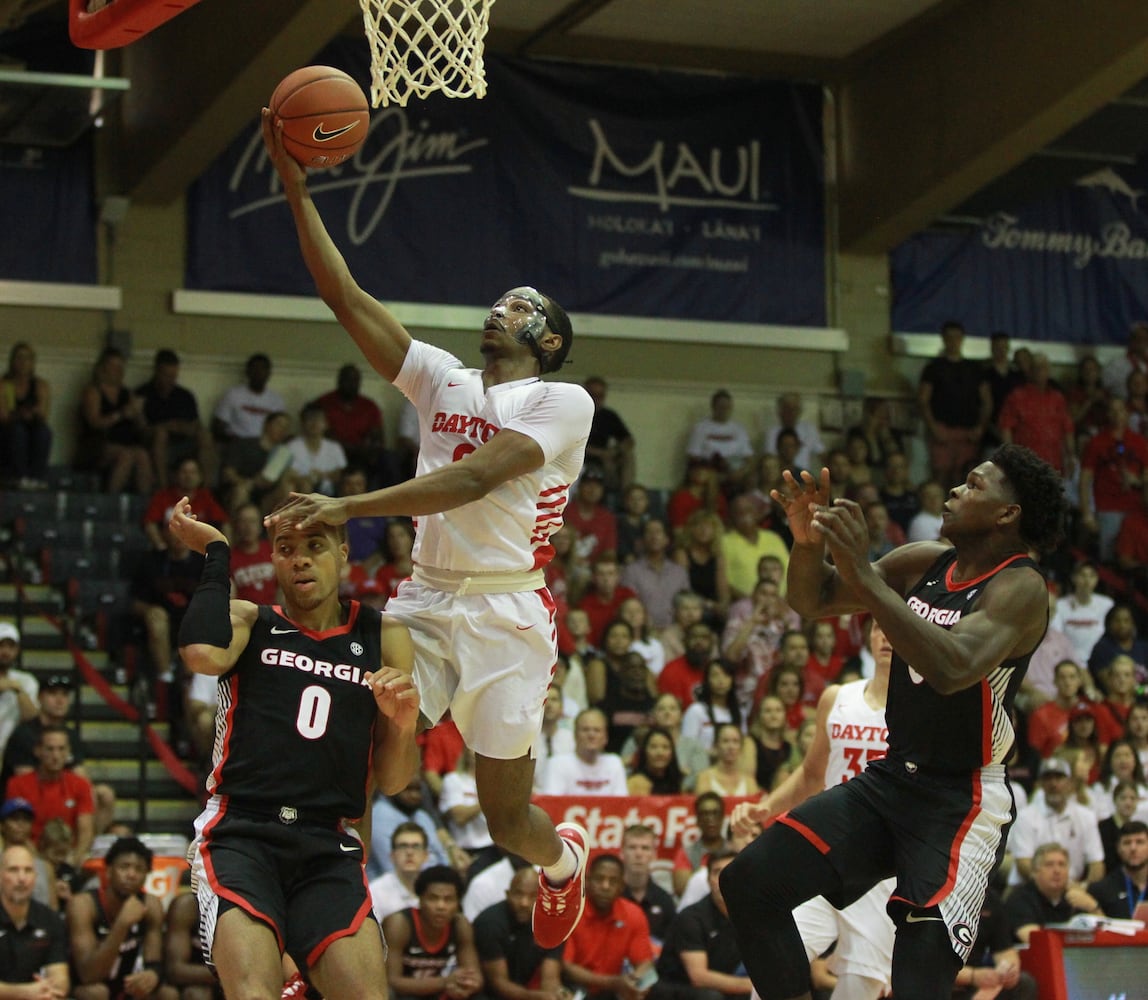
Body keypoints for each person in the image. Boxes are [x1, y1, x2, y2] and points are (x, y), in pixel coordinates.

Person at [262, 111, 596, 950]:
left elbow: (473, 479)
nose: (498, 312)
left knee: (508, 820)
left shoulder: (564, 402)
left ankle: (563, 864)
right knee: (370, 756)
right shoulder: (441, 378)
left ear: (548, 339)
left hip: (510, 616)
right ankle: (328, 905)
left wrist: (345, 507)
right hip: (422, 603)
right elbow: (344, 294)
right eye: (495, 303)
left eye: (518, 310)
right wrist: (297, 186)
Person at [720, 444, 1067, 1000]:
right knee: (749, 883)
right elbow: (813, 599)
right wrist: (807, 545)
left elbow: (953, 667)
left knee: (916, 982)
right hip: (892, 781)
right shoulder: (924, 561)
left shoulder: (1020, 588)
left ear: (1008, 514)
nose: (955, 490)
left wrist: (864, 574)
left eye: (975, 485)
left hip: (963, 801)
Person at [167, 495, 422, 1000]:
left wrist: (403, 722)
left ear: (343, 552)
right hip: (243, 832)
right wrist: (218, 552)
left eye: (314, 545)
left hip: (327, 844)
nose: (300, 558)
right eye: (285, 548)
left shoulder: (384, 634)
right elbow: (198, 652)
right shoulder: (250, 621)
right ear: (274, 560)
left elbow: (393, 780)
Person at [731, 619, 896, 1000]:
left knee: (861, 987)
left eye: (893, 629)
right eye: (876, 628)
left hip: (881, 864)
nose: (886, 635)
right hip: (825, 850)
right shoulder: (837, 697)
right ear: (869, 637)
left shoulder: (923, 709)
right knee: (770, 970)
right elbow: (810, 774)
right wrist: (765, 808)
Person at [67, 836, 178, 1000]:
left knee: (168, 994)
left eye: (139, 869)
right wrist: (122, 924)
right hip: (82, 987)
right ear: (109, 871)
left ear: (147, 875)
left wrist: (151, 976)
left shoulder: (151, 905)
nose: (131, 874)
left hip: (124, 984)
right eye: (124, 867)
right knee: (97, 993)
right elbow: (87, 974)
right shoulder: (83, 905)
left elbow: (154, 963)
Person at [650, 850, 752, 1000]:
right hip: (675, 988)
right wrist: (753, 986)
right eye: (717, 872)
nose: (724, 879)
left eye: (731, 871)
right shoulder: (692, 918)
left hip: (719, 985)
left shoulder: (748, 915)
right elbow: (699, 977)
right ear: (708, 880)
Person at [562, 854, 656, 1000]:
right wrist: (614, 982)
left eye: (613, 881)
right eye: (599, 879)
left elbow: (644, 962)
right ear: (587, 881)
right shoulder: (571, 911)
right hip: (572, 988)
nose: (605, 886)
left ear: (622, 886)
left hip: (612, 991)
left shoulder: (633, 914)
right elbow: (566, 967)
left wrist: (635, 982)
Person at [381, 865, 483, 1000]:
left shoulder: (460, 924)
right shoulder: (399, 924)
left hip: (437, 991)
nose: (441, 906)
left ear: (458, 903)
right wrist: (445, 982)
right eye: (433, 898)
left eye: (448, 899)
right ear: (420, 899)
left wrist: (466, 987)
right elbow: (391, 981)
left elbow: (474, 976)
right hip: (404, 994)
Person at [1008, 754, 1106, 888]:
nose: (1053, 784)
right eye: (1048, 778)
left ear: (1069, 782)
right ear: (1040, 784)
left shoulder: (1086, 816)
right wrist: (1055, 886)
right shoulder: (1025, 816)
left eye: (1059, 778)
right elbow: (1023, 863)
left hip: (1074, 889)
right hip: (1030, 887)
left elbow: (1097, 864)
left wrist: (1085, 888)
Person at [916, 321, 992, 488]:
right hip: (943, 430)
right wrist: (934, 428)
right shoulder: (933, 368)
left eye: (956, 337)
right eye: (949, 337)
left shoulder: (974, 368)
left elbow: (987, 401)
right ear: (943, 339)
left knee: (966, 477)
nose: (953, 341)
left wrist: (980, 427)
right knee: (941, 475)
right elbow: (923, 400)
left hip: (968, 433)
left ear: (962, 339)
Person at [5, 726, 95, 866]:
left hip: (68, 856)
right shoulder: (17, 785)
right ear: (38, 751)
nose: (56, 756)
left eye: (61, 749)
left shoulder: (81, 785)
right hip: (31, 856)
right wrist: (42, 865)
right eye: (50, 749)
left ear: (68, 752)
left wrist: (73, 862)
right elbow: (18, 831)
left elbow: (86, 831)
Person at [472, 865, 565, 1000]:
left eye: (532, 896)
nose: (524, 903)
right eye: (518, 894)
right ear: (508, 894)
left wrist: (552, 996)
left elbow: (550, 978)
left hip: (526, 992)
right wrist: (536, 997)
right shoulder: (490, 923)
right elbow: (498, 984)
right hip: (489, 994)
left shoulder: (553, 923)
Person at [77, 346, 154, 495]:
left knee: (142, 455)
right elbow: (94, 422)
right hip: (98, 444)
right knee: (125, 456)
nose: (118, 371)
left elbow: (142, 427)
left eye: (121, 367)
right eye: (114, 366)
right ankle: (111, 499)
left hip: (126, 442)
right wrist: (120, 415)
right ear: (103, 368)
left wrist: (138, 414)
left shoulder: (127, 393)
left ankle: (144, 502)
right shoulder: (93, 391)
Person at [135, 348, 213, 488]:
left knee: (205, 435)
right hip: (155, 443)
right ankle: (163, 485)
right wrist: (164, 426)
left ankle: (206, 488)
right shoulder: (143, 394)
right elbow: (140, 430)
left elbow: (196, 424)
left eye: (173, 376)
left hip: (183, 442)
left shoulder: (184, 395)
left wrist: (181, 427)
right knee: (161, 434)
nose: (170, 380)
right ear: (157, 371)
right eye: (166, 375)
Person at [0, 843, 69, 998]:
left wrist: (47, 990)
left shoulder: (50, 919)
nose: (22, 878)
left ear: (35, 877)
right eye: (13, 870)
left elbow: (60, 977)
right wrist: (25, 993)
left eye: (28, 870)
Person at [1003, 842, 1101, 944]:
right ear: (1035, 871)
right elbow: (1036, 941)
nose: (1057, 870)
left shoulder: (1076, 898)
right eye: (1049, 865)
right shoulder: (1019, 899)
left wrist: (1093, 907)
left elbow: (1106, 937)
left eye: (1062, 864)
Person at [0, 341, 53, 489]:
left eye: (27, 358)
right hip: (9, 428)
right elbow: (4, 415)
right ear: (13, 361)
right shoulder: (5, 385)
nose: (23, 363)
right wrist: (20, 415)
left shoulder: (40, 385)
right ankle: (20, 476)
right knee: (17, 431)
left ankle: (36, 477)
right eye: (19, 358)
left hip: (33, 427)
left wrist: (33, 413)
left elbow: (43, 413)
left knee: (44, 432)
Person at [541, 707, 628, 796]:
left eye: (597, 730)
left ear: (606, 737)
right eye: (585, 730)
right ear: (575, 735)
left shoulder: (614, 763)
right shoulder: (557, 764)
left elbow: (621, 804)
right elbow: (551, 803)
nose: (591, 735)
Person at [163, 880, 225, 1000]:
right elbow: (175, 970)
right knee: (196, 994)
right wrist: (231, 974)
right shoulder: (187, 906)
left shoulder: (245, 911)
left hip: (226, 979)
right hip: (197, 983)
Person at [687, 390, 755, 496]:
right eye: (721, 406)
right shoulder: (701, 428)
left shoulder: (739, 429)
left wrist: (740, 473)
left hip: (735, 474)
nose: (724, 410)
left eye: (727, 407)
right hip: (711, 472)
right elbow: (693, 457)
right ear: (713, 407)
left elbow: (749, 459)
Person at [620, 824, 677, 945]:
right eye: (632, 847)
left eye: (645, 848)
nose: (638, 854)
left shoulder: (664, 900)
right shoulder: (610, 897)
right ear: (622, 852)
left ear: (654, 854)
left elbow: (670, 947)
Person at [211, 353, 287, 444]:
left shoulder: (276, 400)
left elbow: (281, 430)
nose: (258, 372)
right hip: (238, 444)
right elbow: (218, 426)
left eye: (263, 369)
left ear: (269, 374)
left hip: (266, 447)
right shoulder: (233, 394)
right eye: (254, 368)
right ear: (247, 372)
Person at [369, 821, 432, 924]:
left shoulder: (434, 889)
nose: (409, 852)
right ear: (392, 855)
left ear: (426, 855)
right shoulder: (376, 892)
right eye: (403, 846)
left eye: (416, 846)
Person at [583, 376, 636, 495]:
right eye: (592, 395)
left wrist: (617, 450)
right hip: (581, 457)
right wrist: (601, 453)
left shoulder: (608, 416)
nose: (596, 399)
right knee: (607, 461)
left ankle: (625, 495)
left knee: (628, 457)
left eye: (600, 396)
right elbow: (569, 444)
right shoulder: (573, 413)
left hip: (605, 456)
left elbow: (628, 440)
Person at [1087, 819, 1148, 919]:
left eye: (1140, 842)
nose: (1133, 848)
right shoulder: (1101, 890)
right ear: (1118, 848)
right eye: (1127, 843)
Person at [286, 402, 348, 497]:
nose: (314, 423)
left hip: (330, 495)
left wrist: (322, 475)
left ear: (326, 424)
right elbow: (288, 474)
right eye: (310, 419)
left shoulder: (334, 447)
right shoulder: (292, 446)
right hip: (301, 493)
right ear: (303, 423)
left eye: (319, 419)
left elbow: (341, 473)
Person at [0, 621, 38, 761]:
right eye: (1, 646)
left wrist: (17, 689)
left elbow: (32, 718)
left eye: (11, 647)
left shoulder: (26, 681)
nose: (5, 652)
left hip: (12, 753)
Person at [694, 725, 757, 800]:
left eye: (735, 741)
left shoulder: (749, 781)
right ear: (716, 746)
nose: (731, 747)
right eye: (725, 741)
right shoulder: (704, 778)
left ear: (741, 747)